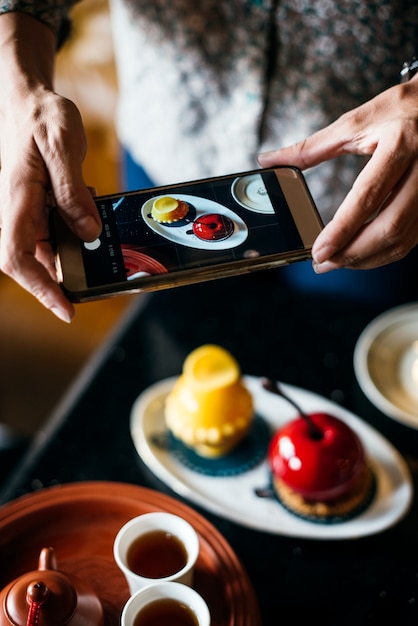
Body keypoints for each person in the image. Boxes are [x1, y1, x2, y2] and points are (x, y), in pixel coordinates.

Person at [0, 1, 417, 322]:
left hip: (371, 186)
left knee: (348, 353)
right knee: (179, 339)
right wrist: (19, 86)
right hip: (168, 149)